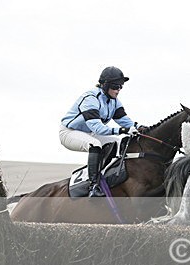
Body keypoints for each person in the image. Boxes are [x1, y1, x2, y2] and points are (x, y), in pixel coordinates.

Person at [60, 66, 142, 197]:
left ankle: (105, 175)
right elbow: (98, 129)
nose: (119, 90)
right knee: (95, 145)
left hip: (90, 133)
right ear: (105, 85)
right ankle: (93, 186)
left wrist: (141, 128)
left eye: (121, 86)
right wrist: (122, 130)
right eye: (116, 86)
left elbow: (126, 121)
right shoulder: (90, 98)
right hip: (69, 132)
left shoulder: (114, 102)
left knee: (117, 142)